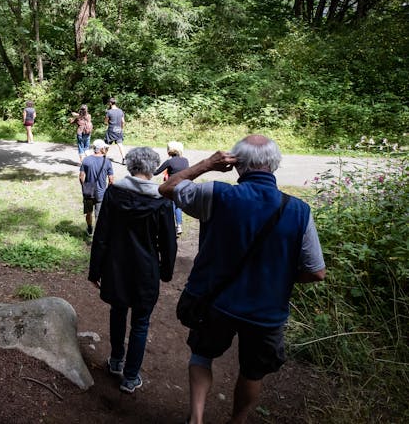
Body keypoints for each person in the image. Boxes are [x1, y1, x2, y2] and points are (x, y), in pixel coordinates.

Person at [158, 135, 326, 424]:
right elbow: (316, 271)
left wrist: (207, 164)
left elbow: (167, 187)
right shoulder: (299, 211)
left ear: (237, 165)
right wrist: (281, 278)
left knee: (202, 354)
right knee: (253, 371)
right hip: (265, 312)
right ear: (275, 164)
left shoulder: (216, 194)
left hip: (214, 302)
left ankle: (196, 418)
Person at [88, 147, 178, 394]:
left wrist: (95, 270)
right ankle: (130, 377)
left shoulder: (114, 193)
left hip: (116, 266)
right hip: (146, 270)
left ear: (131, 166)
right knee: (140, 322)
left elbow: (102, 234)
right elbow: (169, 242)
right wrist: (166, 271)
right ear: (153, 168)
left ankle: (116, 360)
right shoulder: (161, 201)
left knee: (117, 311)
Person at [79, 139, 113, 236]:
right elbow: (111, 180)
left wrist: (84, 186)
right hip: (101, 193)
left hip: (88, 192)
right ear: (101, 148)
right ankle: (98, 234)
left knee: (89, 212)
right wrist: (107, 190)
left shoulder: (86, 160)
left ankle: (90, 229)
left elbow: (81, 176)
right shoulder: (107, 162)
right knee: (99, 214)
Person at [155, 141, 190, 235]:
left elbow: (156, 172)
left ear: (169, 151)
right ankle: (179, 226)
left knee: (168, 205)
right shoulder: (185, 160)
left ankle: (167, 225)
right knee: (177, 206)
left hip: (171, 186)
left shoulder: (169, 161)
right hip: (183, 186)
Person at [104, 97, 125, 164]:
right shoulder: (120, 111)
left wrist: (107, 123)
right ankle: (124, 158)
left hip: (111, 130)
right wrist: (121, 128)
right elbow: (123, 121)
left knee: (107, 144)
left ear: (110, 103)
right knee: (120, 144)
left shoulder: (109, 112)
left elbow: (105, 121)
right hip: (119, 129)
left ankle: (103, 157)